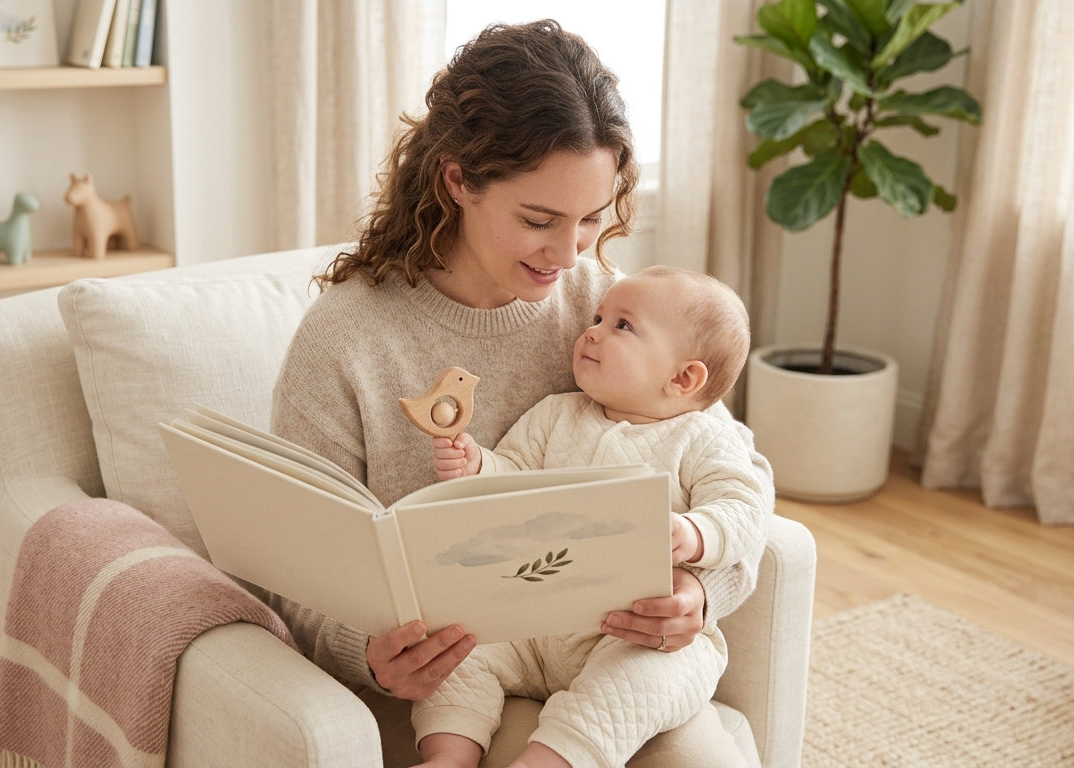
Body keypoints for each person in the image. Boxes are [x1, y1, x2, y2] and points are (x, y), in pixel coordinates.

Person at [268, 19, 769, 766]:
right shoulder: (346, 339)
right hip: (450, 673)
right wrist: (369, 652)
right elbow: (293, 568)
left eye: (591, 220)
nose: (568, 254)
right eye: (539, 220)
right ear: (457, 180)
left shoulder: (603, 307)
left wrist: (700, 591)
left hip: (607, 656)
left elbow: (717, 458)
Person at [414, 266, 770, 768]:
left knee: (644, 680)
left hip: (630, 634)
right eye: (598, 318)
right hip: (527, 622)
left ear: (683, 378)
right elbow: (511, 480)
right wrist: (476, 467)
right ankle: (448, 754)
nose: (592, 331)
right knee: (458, 645)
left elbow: (744, 506)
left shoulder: (704, 439)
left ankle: (550, 760)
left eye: (621, 326)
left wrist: (694, 533)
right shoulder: (556, 414)